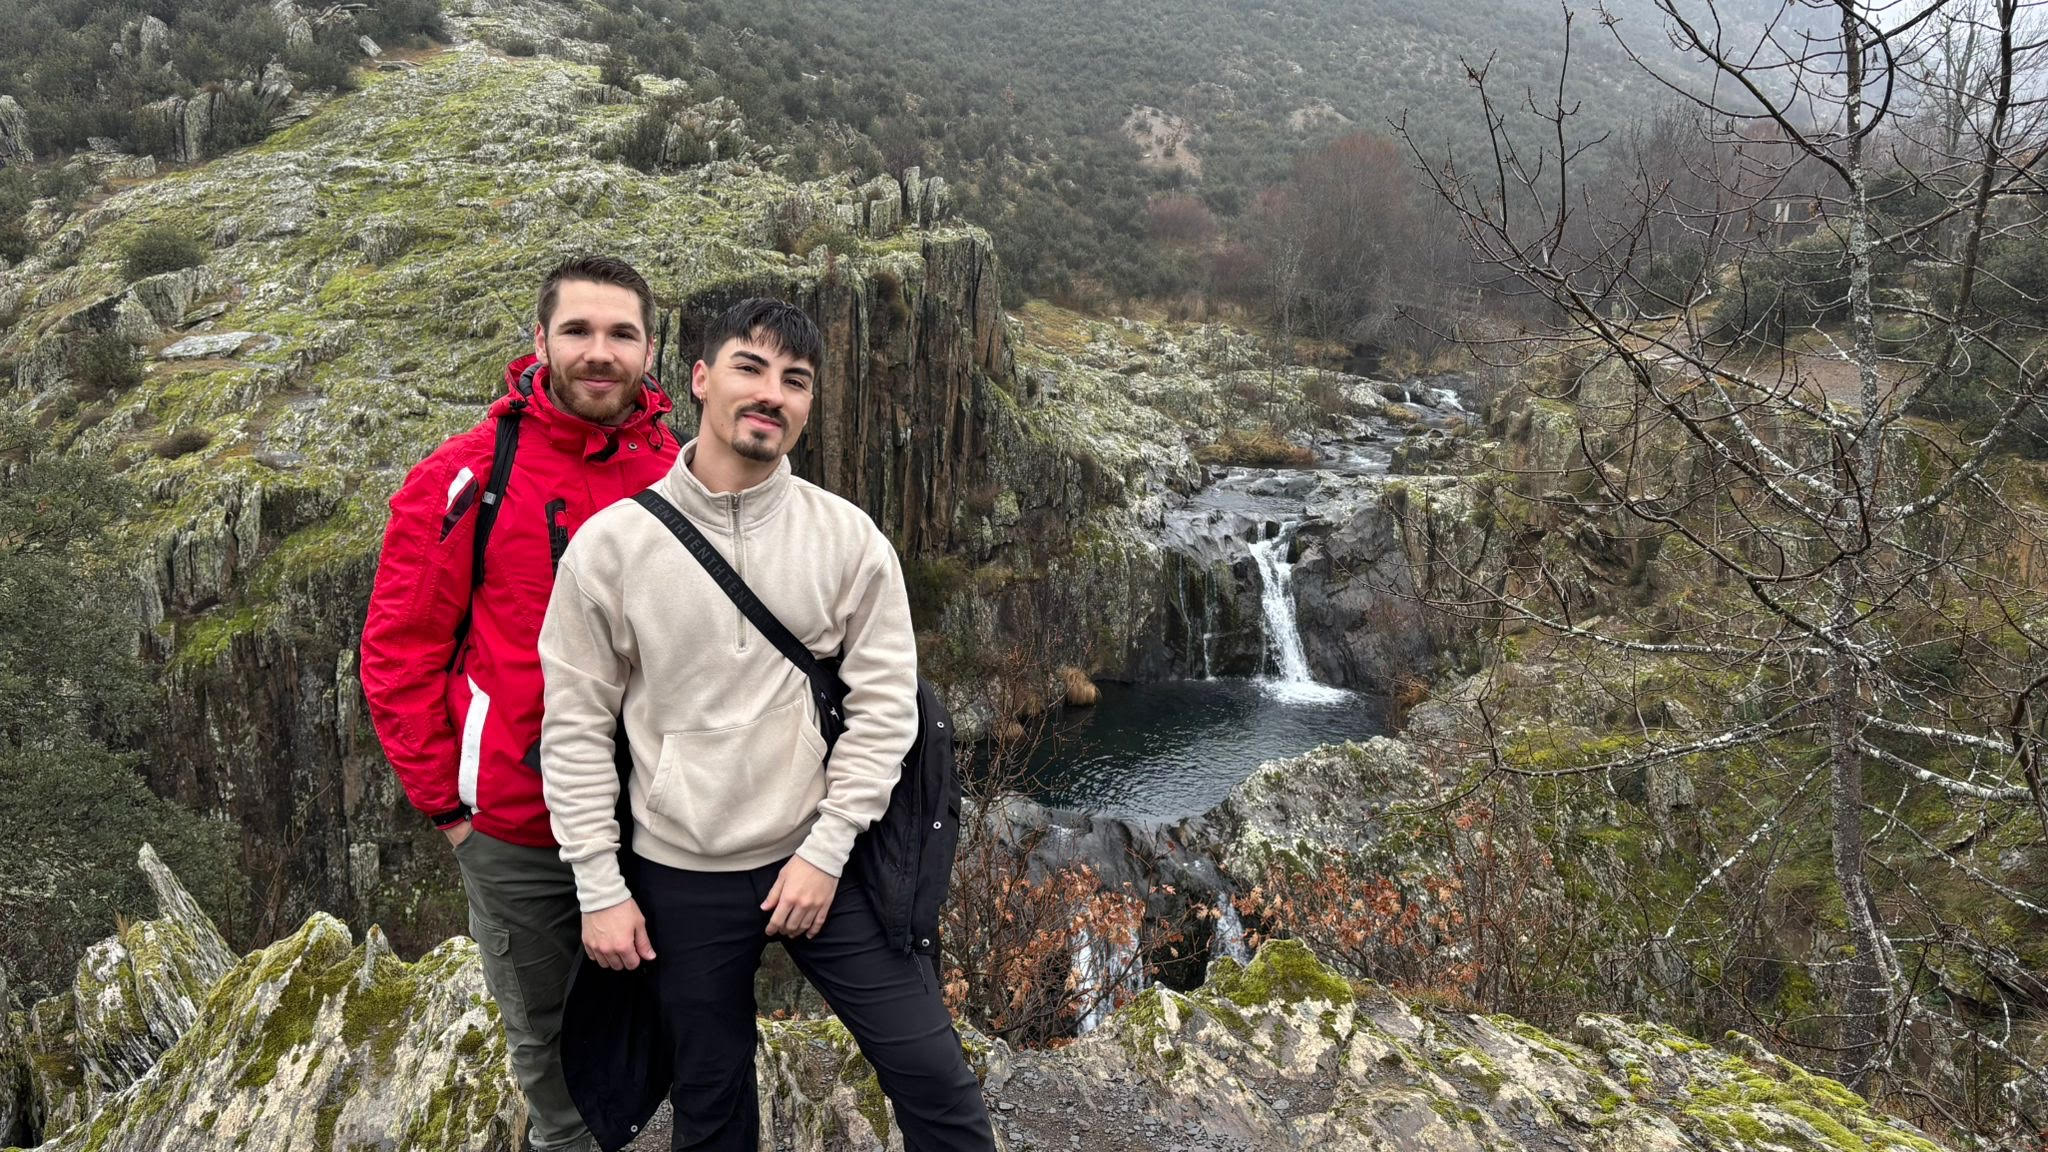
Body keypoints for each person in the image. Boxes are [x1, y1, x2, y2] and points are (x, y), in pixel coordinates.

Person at [538, 298, 996, 1152]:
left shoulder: (848, 540)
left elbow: (886, 707)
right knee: (711, 1105)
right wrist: (599, 888)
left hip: (821, 861)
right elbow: (573, 731)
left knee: (935, 1077)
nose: (772, 395)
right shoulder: (610, 550)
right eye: (750, 368)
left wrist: (826, 851)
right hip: (681, 875)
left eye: (796, 381)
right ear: (700, 381)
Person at [359, 256, 680, 1152]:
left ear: (650, 351)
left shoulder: (681, 477)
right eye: (578, 331)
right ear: (539, 342)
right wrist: (451, 811)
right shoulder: (468, 476)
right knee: (544, 1039)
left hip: (660, 820)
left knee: (672, 1013)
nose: (600, 352)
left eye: (621, 333)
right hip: (514, 824)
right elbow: (398, 650)